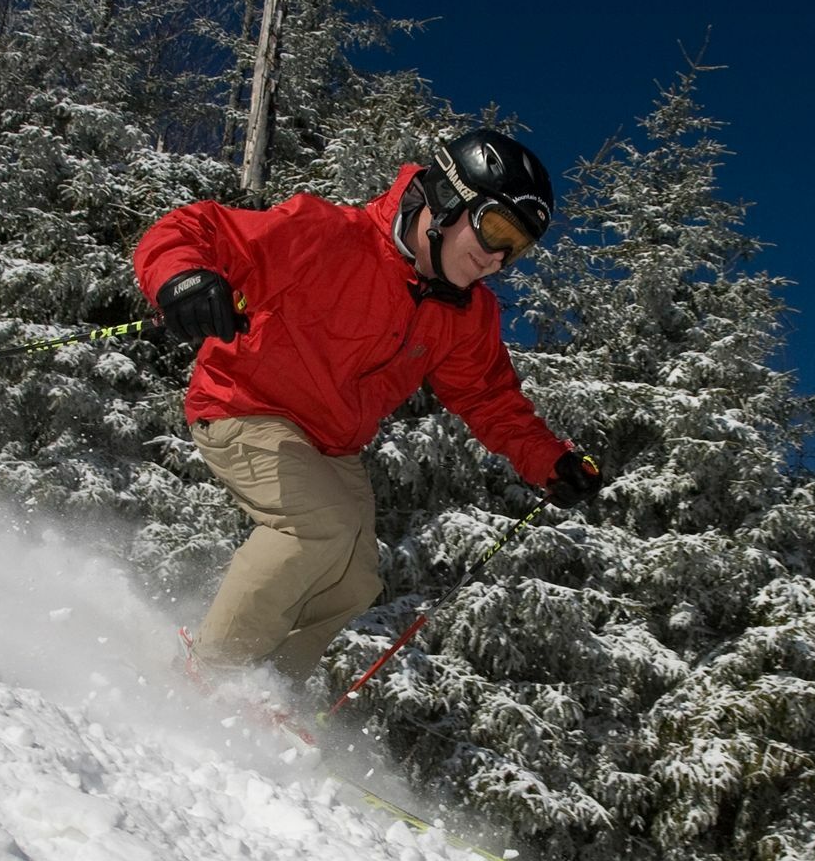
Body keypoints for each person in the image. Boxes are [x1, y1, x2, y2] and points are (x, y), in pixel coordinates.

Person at [132, 128, 604, 685]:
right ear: (448, 200)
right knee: (317, 530)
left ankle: (265, 692)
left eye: (516, 247)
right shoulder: (326, 234)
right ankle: (208, 674)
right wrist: (182, 278)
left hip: (330, 446)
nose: (497, 259)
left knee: (353, 582)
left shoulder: (465, 314)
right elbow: (195, 229)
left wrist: (551, 461)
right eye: (496, 229)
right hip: (246, 403)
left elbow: (489, 398)